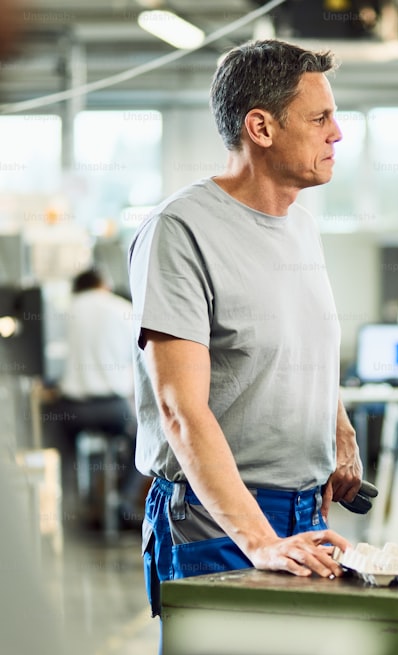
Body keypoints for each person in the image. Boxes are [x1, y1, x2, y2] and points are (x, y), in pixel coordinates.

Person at [127, 39, 362, 619]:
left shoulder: (301, 227)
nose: (338, 133)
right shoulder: (180, 231)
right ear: (261, 127)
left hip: (304, 513)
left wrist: (340, 434)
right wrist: (259, 540)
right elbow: (180, 409)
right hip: (217, 522)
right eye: (320, 118)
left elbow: (303, 347)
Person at [46, 267, 144, 527]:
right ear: (104, 285)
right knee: (141, 442)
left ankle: (68, 510)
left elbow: (51, 358)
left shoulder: (63, 310)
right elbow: (139, 359)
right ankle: (122, 500)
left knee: (61, 451)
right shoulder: (123, 309)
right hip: (113, 409)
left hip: (71, 410)